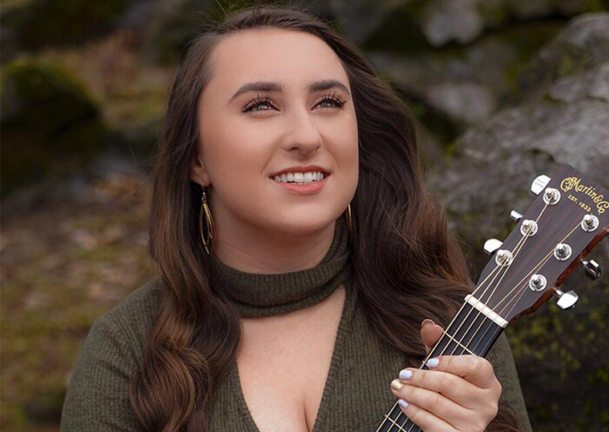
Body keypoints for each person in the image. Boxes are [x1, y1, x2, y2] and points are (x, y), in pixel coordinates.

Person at [61, 6, 532, 432]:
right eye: (260, 106)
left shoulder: (453, 324)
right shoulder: (126, 352)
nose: (306, 137)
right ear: (196, 157)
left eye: (328, 102)